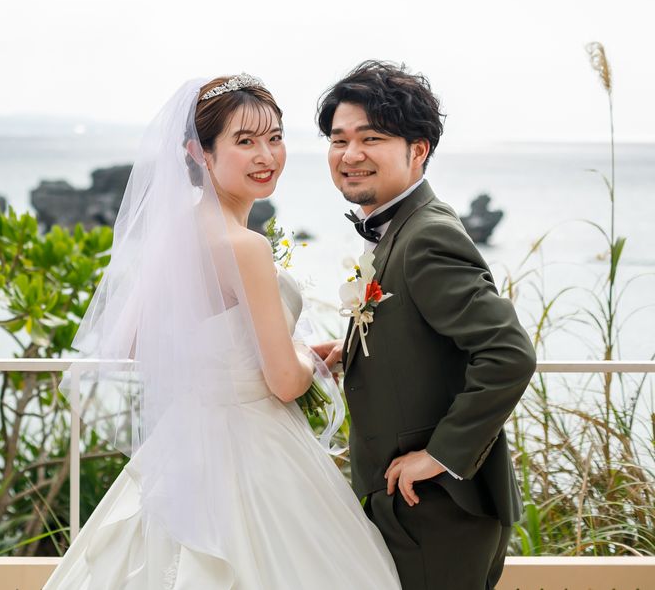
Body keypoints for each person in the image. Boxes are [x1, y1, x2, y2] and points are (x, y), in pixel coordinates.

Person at [44, 75, 400, 589]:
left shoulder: (176, 232)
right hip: (256, 448)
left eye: (275, 138)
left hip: (185, 443)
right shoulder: (244, 246)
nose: (266, 156)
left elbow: (135, 343)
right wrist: (306, 355)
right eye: (245, 141)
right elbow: (285, 382)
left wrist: (227, 356)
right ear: (199, 152)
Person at [310, 60, 536, 590]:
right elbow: (426, 326)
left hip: (437, 511)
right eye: (339, 140)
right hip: (410, 507)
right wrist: (353, 348)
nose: (350, 154)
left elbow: (508, 354)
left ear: (418, 150)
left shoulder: (427, 236)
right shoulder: (401, 228)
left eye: (371, 138)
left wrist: (439, 456)